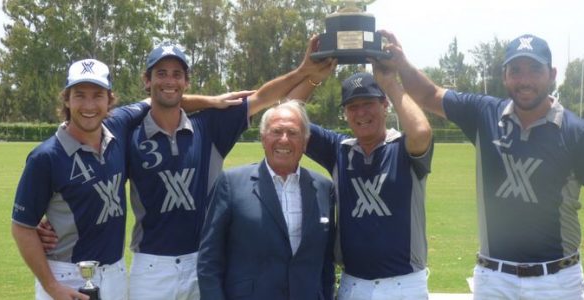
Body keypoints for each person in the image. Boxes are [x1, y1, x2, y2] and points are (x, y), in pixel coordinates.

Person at [393, 31, 584, 299]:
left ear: (552, 74)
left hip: (558, 283)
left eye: (535, 69)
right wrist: (399, 63)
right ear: (504, 75)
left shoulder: (577, 133)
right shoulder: (484, 114)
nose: (524, 80)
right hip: (495, 280)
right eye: (516, 70)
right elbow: (428, 94)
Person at [125, 39, 335, 300]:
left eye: (177, 74)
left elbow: (261, 98)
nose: (170, 80)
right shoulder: (129, 133)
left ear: (186, 82)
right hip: (151, 264)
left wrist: (304, 72)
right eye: (161, 74)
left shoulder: (208, 127)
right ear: (147, 80)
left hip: (198, 259)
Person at [289, 30, 434, 299]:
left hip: (404, 283)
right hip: (353, 283)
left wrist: (390, 81)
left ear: (385, 105)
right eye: (352, 107)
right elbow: (288, 115)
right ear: (345, 114)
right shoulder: (339, 150)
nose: (361, 113)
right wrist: (312, 76)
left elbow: (422, 132)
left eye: (368, 103)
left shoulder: (403, 147)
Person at [11, 58, 151, 300]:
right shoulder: (45, 157)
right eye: (79, 95)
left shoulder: (118, 127)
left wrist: (215, 101)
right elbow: (22, 228)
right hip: (66, 278)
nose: (89, 105)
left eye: (97, 95)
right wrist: (52, 287)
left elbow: (160, 99)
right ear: (67, 99)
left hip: (116, 273)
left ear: (109, 100)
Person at [197, 100, 336, 300]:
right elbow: (209, 260)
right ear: (263, 138)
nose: (284, 140)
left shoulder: (323, 188)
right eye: (276, 131)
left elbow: (326, 262)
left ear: (305, 142)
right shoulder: (232, 184)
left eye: (293, 133)